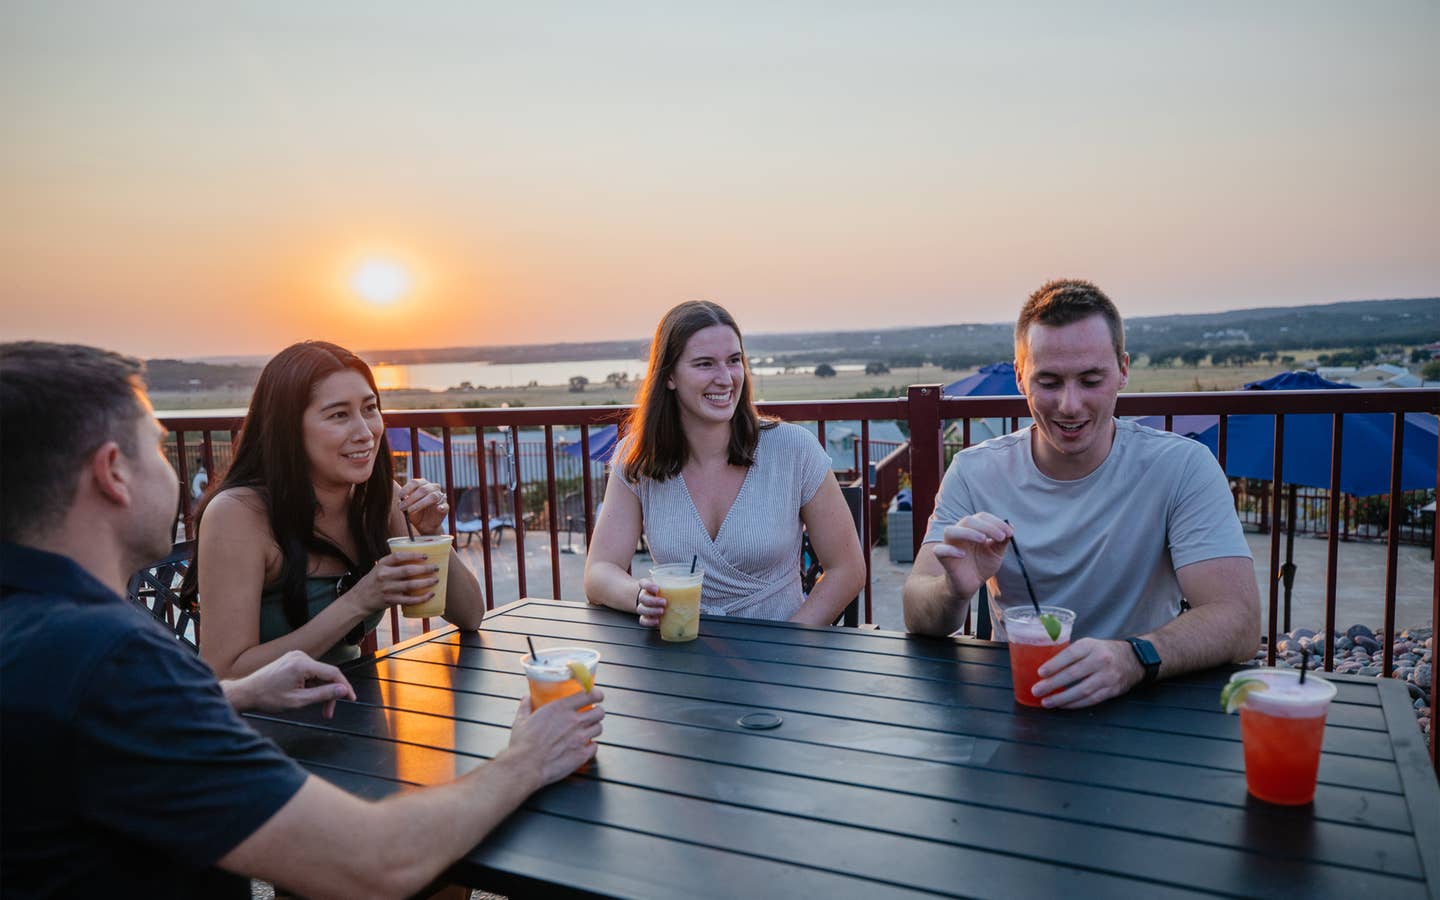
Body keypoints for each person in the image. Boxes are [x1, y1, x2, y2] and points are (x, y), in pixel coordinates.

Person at [0, 342, 604, 898]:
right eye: (157, 446)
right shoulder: (109, 659)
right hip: (304, 746)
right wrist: (527, 757)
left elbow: (466, 613)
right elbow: (377, 861)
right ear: (113, 472)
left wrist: (232, 693)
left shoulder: (42, 633)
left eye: (370, 408)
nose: (178, 472)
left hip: (350, 718)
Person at [902, 280, 1259, 707]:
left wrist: (1132, 658)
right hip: (1025, 702)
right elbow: (916, 609)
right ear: (1020, 377)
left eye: (1091, 380)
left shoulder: (1182, 467)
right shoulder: (975, 471)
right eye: (1049, 382)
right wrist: (953, 590)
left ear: (1123, 371)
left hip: (1149, 698)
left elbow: (1239, 622)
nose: (1070, 405)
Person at [187, 340, 486, 679]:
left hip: (347, 707)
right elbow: (225, 674)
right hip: (262, 721)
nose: (365, 432)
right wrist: (358, 601)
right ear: (288, 429)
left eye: (370, 409)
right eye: (339, 415)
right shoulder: (237, 516)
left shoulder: (378, 497)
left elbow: (471, 615)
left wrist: (431, 535)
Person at [584, 300, 865, 626]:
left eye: (734, 361)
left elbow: (848, 569)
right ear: (670, 376)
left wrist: (794, 642)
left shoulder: (794, 449)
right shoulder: (638, 457)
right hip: (680, 651)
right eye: (705, 364)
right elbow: (599, 573)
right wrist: (639, 596)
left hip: (779, 654)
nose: (725, 378)